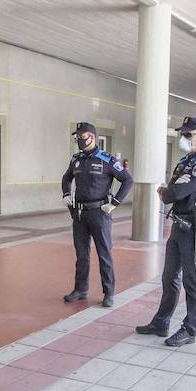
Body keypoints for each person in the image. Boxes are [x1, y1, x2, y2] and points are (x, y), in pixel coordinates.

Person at [136, 116, 196, 347]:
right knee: (169, 276)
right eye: (182, 134)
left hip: (194, 229)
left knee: (193, 281)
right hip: (179, 225)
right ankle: (161, 322)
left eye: (187, 135)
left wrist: (170, 191)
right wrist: (171, 190)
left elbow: (177, 191)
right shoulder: (185, 161)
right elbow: (174, 186)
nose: (183, 138)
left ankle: (190, 329)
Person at [61, 122, 133, 307]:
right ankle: (80, 289)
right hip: (80, 214)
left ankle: (108, 293)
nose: (78, 140)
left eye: (81, 137)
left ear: (92, 137)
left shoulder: (107, 160)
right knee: (81, 254)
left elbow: (127, 180)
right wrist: (66, 194)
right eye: (76, 137)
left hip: (100, 213)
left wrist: (114, 203)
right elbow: (66, 177)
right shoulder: (76, 159)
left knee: (104, 254)